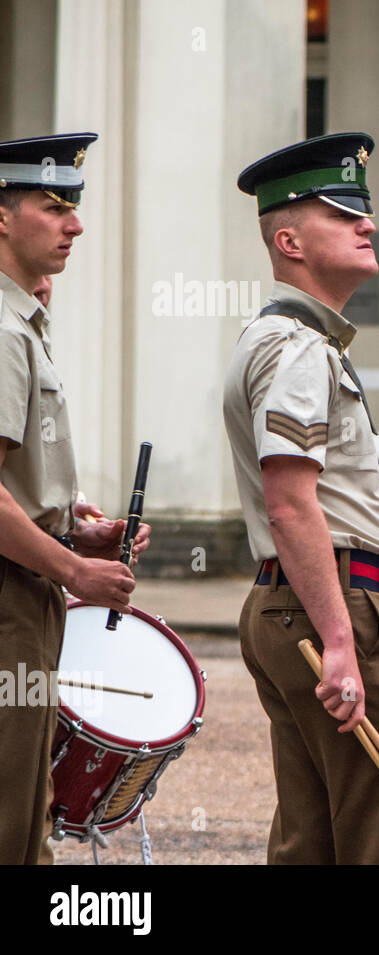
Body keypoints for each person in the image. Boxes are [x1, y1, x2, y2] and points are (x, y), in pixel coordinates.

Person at [224, 132, 379, 864]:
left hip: (296, 604)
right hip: (332, 605)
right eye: (342, 214)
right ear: (288, 239)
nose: (367, 224)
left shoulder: (290, 340)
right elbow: (291, 504)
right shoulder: (297, 348)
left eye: (364, 213)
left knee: (311, 841)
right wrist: (342, 642)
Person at [0, 133, 150, 864]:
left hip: (24, 590)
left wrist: (78, 534)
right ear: (2, 217)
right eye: (54, 206)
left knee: (27, 811)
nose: (76, 224)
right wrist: (73, 568)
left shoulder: (19, 322)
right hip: (9, 596)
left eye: (76, 207)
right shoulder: (1, 327)